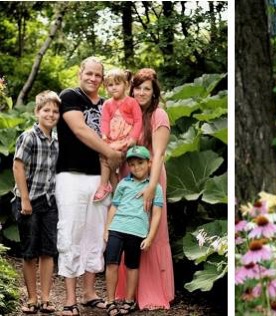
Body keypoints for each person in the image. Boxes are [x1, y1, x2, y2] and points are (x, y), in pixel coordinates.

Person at [55, 56, 122, 316]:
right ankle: (70, 299)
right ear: (80, 73)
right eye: (89, 73)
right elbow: (80, 129)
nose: (93, 78)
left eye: (98, 75)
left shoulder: (107, 104)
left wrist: (116, 161)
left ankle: (90, 293)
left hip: (99, 178)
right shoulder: (70, 96)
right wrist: (111, 152)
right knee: (71, 234)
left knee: (95, 235)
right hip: (71, 176)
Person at [113, 68, 175, 310]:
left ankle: (153, 291)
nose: (141, 92)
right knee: (128, 227)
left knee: (151, 231)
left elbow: (158, 154)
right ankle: (128, 292)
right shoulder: (128, 114)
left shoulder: (159, 115)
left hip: (152, 177)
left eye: (146, 88)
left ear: (154, 92)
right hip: (128, 178)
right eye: (138, 87)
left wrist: (151, 187)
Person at [12, 91, 61, 315]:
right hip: (28, 201)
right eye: (46, 110)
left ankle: (46, 298)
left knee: (48, 251)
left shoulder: (57, 140)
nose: (51, 114)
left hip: (49, 202)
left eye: (55, 111)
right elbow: (18, 166)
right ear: (37, 112)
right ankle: (32, 298)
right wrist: (24, 198)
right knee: (30, 252)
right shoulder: (29, 136)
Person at [102, 146, 163, 316]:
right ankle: (110, 301)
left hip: (137, 231)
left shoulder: (155, 188)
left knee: (132, 266)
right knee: (111, 263)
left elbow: (157, 214)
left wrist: (150, 237)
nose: (137, 167)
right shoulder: (123, 184)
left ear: (149, 163)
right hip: (117, 227)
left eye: (140, 163)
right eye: (132, 164)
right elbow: (114, 207)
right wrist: (107, 228)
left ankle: (129, 300)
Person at [94, 69, 143, 202]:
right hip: (112, 139)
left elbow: (138, 121)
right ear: (106, 88)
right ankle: (113, 191)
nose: (114, 87)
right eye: (110, 85)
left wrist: (133, 137)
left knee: (112, 161)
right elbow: (104, 121)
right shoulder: (107, 104)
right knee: (105, 158)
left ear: (126, 85)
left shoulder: (132, 102)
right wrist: (104, 134)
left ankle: (105, 186)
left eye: (117, 84)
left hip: (126, 139)